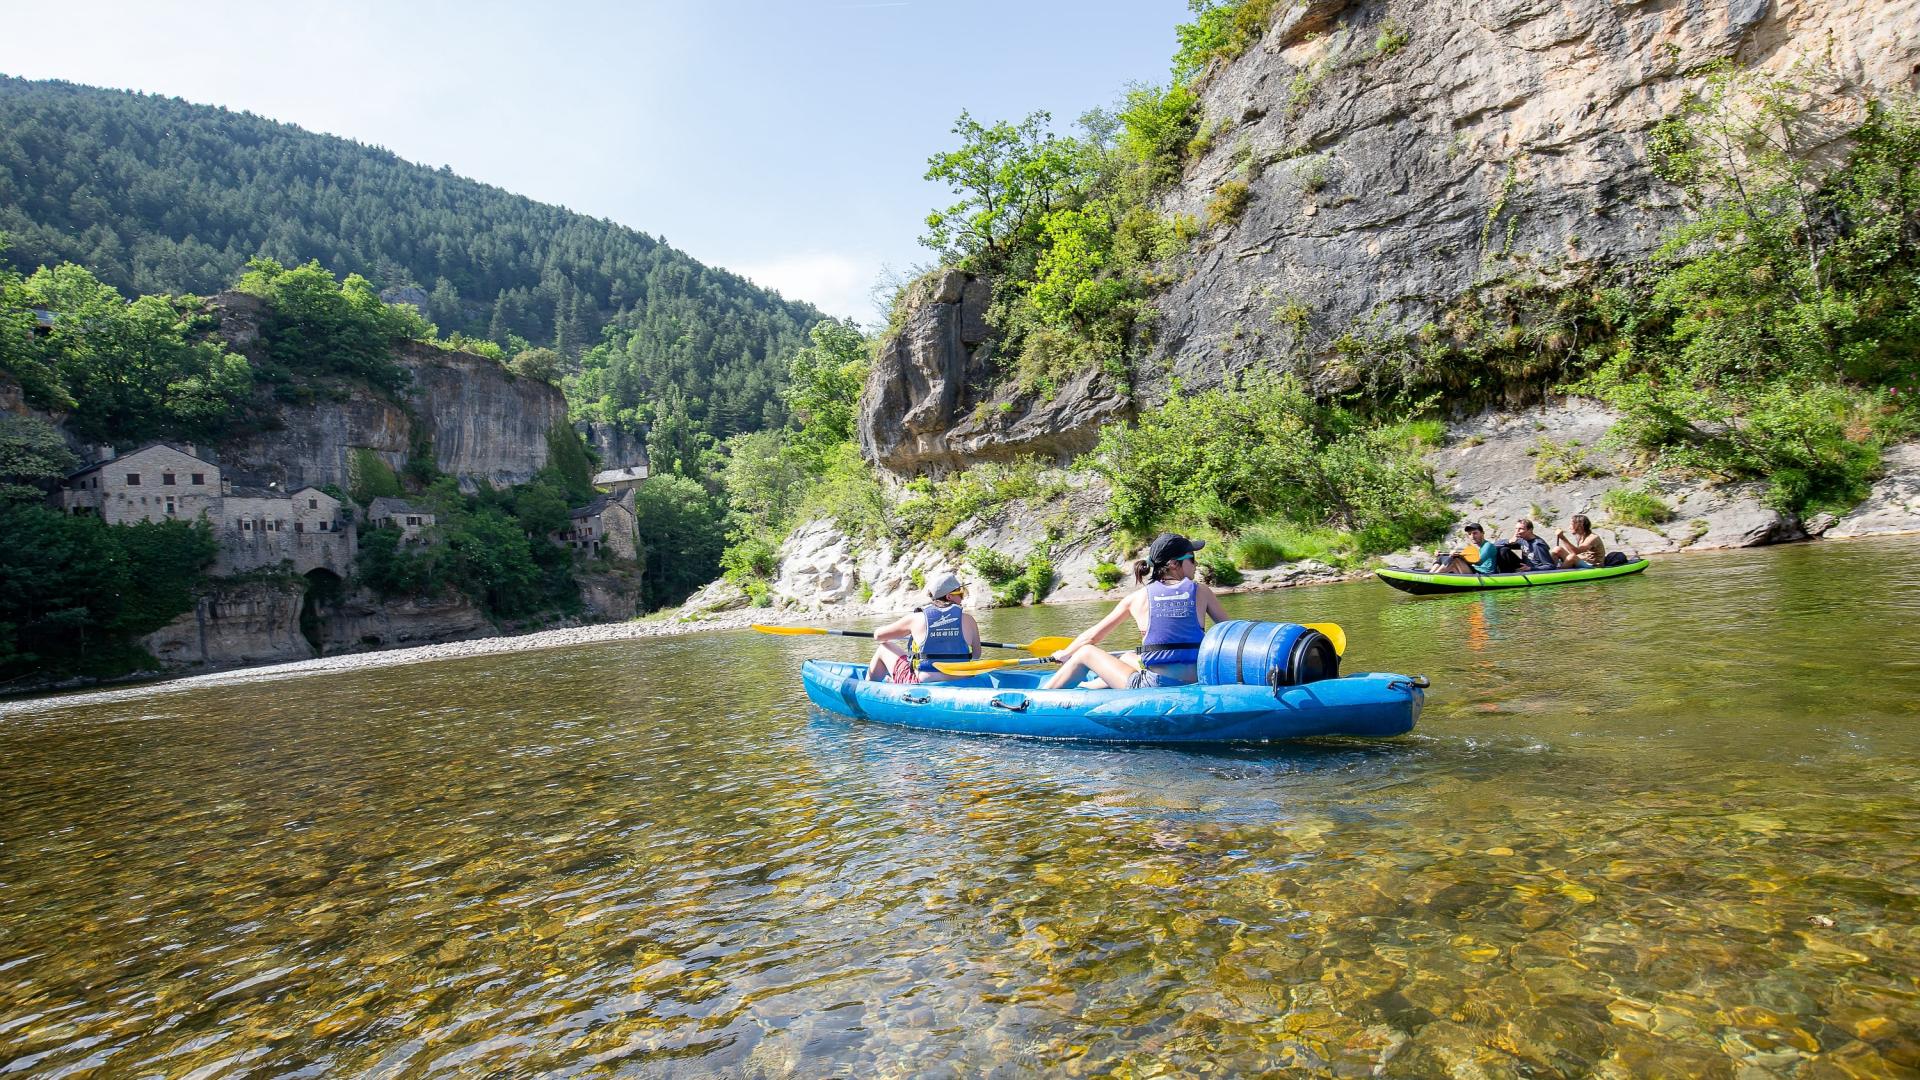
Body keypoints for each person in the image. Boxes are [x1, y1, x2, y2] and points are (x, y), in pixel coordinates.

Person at [1041, 533, 1229, 691]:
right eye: (1192, 559)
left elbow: (1091, 638)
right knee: (1127, 658)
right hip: (1197, 681)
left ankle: (1039, 698)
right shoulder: (1202, 591)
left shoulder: (1136, 599)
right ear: (1173, 564)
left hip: (1156, 686)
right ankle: (1090, 687)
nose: (1195, 565)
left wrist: (1066, 653)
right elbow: (1230, 633)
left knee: (1085, 652)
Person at [864, 571, 982, 683]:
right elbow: (976, 654)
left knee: (884, 647)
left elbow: (878, 636)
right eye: (960, 594)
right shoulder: (969, 620)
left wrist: (909, 633)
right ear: (949, 596)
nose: (963, 597)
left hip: (925, 680)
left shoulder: (916, 619)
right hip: (962, 678)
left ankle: (868, 687)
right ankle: (892, 680)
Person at [1432, 522, 1498, 575]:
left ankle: (1435, 576)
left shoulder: (1488, 546)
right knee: (1441, 557)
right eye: (1469, 534)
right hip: (1474, 570)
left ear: (1482, 533)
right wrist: (1442, 554)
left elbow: (1478, 561)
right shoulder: (1476, 547)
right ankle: (1431, 573)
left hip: (1483, 573)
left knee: (1455, 559)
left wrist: (1459, 556)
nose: (1472, 536)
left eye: (1475, 533)